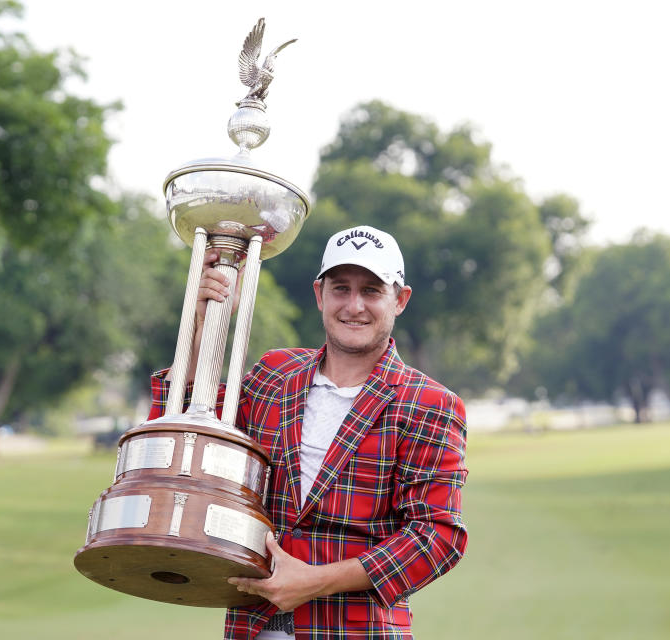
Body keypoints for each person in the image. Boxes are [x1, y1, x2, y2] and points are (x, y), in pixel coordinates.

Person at [147, 225, 468, 640]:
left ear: (399, 299)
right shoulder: (274, 375)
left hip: (357, 630)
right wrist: (203, 323)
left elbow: (437, 537)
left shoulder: (431, 404)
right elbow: (184, 426)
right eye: (341, 288)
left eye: (371, 290)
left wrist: (317, 580)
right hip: (252, 625)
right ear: (320, 294)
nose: (354, 305)